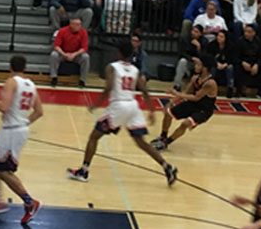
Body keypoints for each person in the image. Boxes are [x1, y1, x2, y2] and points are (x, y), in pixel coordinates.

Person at [67, 42, 178, 186]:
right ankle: (167, 167)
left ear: (118, 53)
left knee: (93, 137)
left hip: (118, 106)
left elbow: (108, 88)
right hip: (133, 106)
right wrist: (151, 110)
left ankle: (84, 171)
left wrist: (96, 105)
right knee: (141, 142)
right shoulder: (135, 69)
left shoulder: (112, 67)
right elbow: (144, 91)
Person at [0, 55, 44, 225]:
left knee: (4, 171)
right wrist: (24, 123)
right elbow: (39, 111)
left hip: (12, 131)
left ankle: (30, 202)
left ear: (10, 67)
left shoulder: (11, 82)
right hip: (13, 129)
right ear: (25, 68)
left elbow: (4, 107)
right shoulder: (31, 85)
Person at [151, 55, 217, 151]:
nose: (195, 66)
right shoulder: (195, 78)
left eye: (198, 65)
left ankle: (166, 143)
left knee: (185, 124)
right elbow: (186, 93)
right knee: (168, 113)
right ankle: (163, 137)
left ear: (205, 68)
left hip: (204, 110)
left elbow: (196, 98)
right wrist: (171, 102)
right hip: (192, 104)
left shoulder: (210, 83)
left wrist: (176, 93)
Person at [49, 17, 90, 87]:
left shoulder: (83, 32)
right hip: (63, 53)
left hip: (76, 55)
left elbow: (84, 48)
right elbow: (56, 46)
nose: (79, 26)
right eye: (77, 24)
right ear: (71, 24)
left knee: (85, 57)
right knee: (54, 55)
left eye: (80, 24)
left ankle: (83, 80)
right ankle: (54, 77)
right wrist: (64, 54)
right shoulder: (62, 31)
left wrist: (74, 54)